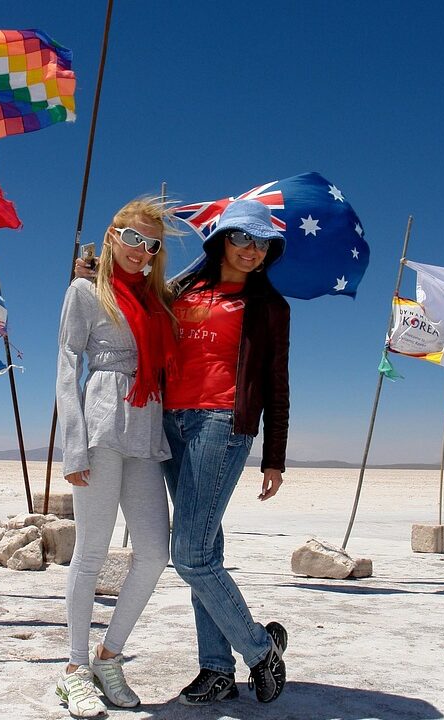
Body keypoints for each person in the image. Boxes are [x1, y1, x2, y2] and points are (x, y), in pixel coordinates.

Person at [161, 199, 290, 706]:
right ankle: (216, 670)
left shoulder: (269, 306)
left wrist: (274, 456)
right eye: (244, 239)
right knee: (206, 553)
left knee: (190, 555)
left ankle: (259, 651)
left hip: (221, 423)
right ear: (222, 240)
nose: (252, 251)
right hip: (169, 422)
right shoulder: (183, 290)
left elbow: (276, 384)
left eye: (262, 243)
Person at [54, 197, 179, 718]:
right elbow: (66, 365)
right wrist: (73, 443)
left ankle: (109, 656)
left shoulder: (156, 302)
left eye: (151, 245)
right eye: (132, 238)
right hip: (102, 427)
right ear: (112, 237)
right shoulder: (85, 291)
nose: (141, 251)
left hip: (146, 429)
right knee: (91, 552)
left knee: (154, 554)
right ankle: (75, 668)